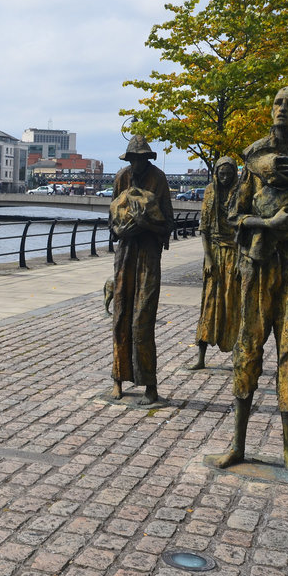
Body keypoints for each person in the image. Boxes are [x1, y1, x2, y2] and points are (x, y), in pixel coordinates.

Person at [209, 86, 288, 482]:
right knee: (248, 346)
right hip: (257, 264)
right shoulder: (253, 153)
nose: (282, 109)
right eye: (278, 102)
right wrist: (268, 224)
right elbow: (233, 215)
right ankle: (238, 444)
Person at [109, 135, 174, 405]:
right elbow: (111, 221)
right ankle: (117, 379)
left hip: (148, 254)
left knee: (142, 320)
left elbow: (168, 224)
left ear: (147, 159)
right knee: (121, 315)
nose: (136, 164)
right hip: (125, 254)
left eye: (140, 159)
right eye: (132, 159)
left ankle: (150, 385)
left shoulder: (159, 180)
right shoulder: (121, 178)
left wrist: (145, 224)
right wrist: (120, 230)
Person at [192, 157, 240, 369]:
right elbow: (204, 228)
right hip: (214, 253)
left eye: (229, 173)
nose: (225, 177)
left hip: (234, 253)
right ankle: (201, 356)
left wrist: (240, 259)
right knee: (209, 303)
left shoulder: (240, 192)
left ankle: (238, 356)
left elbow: (243, 229)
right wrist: (209, 257)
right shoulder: (210, 191)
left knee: (233, 302)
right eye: (221, 173)